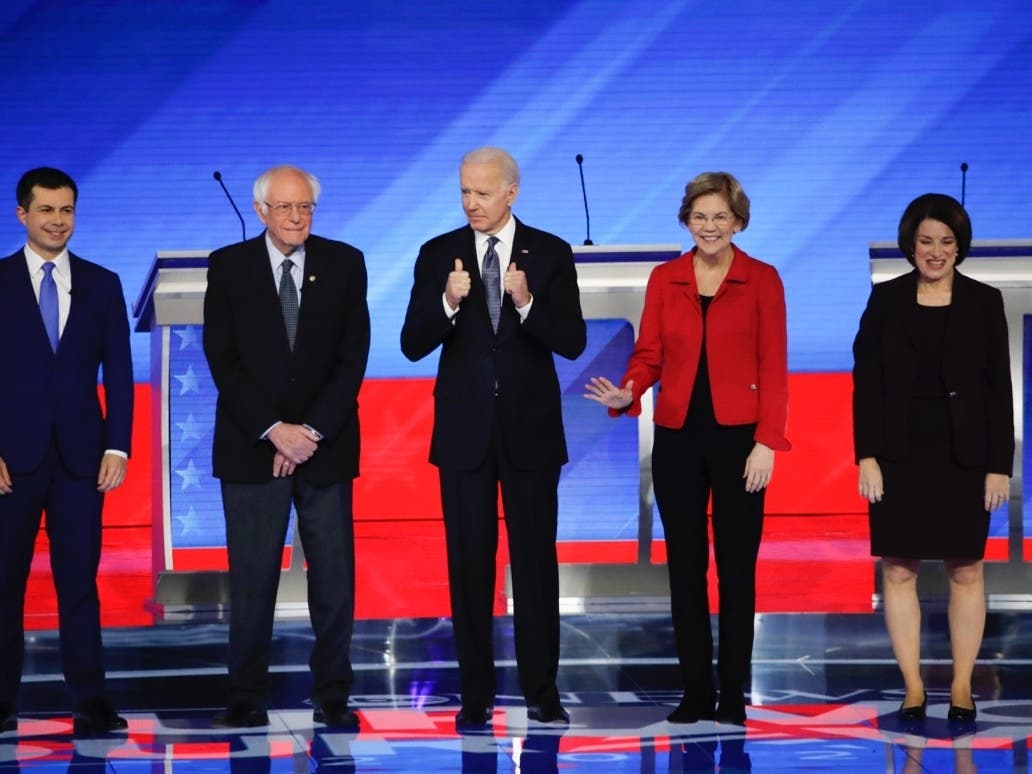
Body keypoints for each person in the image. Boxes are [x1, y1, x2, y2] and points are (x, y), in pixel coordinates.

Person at [584, 172, 789, 725]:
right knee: (686, 569)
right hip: (677, 438)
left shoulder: (762, 280)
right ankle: (696, 690)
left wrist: (768, 441)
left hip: (741, 440)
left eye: (721, 217)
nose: (710, 226)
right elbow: (648, 353)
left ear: (738, 221)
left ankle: (733, 692)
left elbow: (773, 366)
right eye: (700, 217)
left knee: (737, 568)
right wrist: (630, 391)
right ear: (686, 220)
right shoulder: (666, 278)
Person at [401, 147, 586, 727]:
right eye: (464, 192)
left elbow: (573, 341)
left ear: (512, 192)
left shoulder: (551, 253)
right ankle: (475, 695)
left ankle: (542, 691)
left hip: (529, 435)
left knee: (535, 567)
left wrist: (528, 303)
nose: (471, 203)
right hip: (464, 436)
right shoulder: (438, 254)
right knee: (469, 566)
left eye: (482, 192)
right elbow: (412, 342)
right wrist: (448, 303)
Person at [202, 165, 370, 729]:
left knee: (332, 577)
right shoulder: (229, 267)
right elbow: (222, 359)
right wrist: (276, 429)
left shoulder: (345, 263)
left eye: (305, 208)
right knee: (252, 578)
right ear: (260, 211)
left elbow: (353, 359)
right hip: (254, 447)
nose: (297, 218)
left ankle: (333, 693)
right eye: (285, 208)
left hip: (326, 445)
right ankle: (246, 694)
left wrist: (310, 433)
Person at [852, 193, 1012, 725]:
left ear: (959, 246)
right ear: (910, 245)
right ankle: (914, 686)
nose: (936, 251)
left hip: (964, 454)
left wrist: (999, 464)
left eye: (946, 241)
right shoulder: (886, 300)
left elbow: (997, 390)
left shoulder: (985, 302)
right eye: (926, 242)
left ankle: (963, 685)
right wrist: (866, 455)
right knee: (899, 569)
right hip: (899, 454)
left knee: (967, 568)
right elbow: (867, 384)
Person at [0, 167, 133, 735]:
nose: (58, 221)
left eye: (68, 211)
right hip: (12, 459)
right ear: (22, 214)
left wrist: (118, 446)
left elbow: (121, 373)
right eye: (47, 210)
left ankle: (90, 702)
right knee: (4, 584)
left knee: (78, 583)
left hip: (82, 459)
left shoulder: (103, 283)